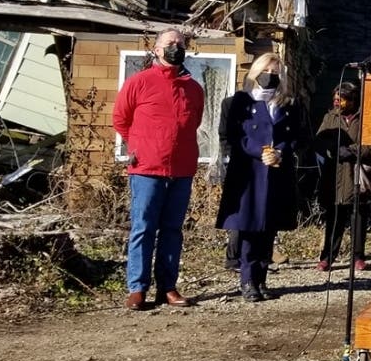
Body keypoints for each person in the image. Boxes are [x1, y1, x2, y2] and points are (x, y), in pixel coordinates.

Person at [112, 28, 205, 311]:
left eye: (180, 43)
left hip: (181, 168)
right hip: (146, 169)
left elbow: (195, 122)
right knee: (143, 228)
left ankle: (167, 287)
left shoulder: (194, 88)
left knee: (172, 230)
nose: (176, 47)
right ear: (157, 50)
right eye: (170, 43)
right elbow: (120, 118)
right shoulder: (139, 82)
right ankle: (137, 288)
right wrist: (138, 146)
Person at [215, 52, 310, 302]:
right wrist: (260, 152)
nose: (271, 77)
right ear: (256, 73)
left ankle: (262, 278)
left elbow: (299, 136)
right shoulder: (239, 102)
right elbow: (233, 137)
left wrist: (281, 152)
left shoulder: (289, 104)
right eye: (267, 72)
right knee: (248, 229)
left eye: (276, 73)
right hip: (248, 174)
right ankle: (247, 281)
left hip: (278, 173)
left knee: (268, 228)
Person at [215, 91, 289, 272]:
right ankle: (234, 259)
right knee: (242, 218)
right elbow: (227, 134)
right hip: (242, 165)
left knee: (261, 217)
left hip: (268, 164)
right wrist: (231, 155)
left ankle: (261, 260)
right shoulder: (232, 103)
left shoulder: (280, 104)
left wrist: (275, 153)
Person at [315, 81, 371, 272]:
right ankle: (327, 257)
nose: (338, 103)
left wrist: (352, 151)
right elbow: (319, 141)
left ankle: (358, 257)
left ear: (352, 100)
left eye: (341, 99)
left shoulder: (365, 119)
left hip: (356, 176)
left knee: (358, 218)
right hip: (334, 176)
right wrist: (334, 149)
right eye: (335, 99)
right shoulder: (330, 118)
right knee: (334, 219)